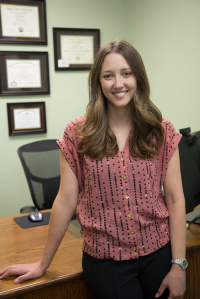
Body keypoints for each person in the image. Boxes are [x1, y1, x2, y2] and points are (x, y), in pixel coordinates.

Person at [0, 40, 187, 299]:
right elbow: (65, 201)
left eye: (126, 73)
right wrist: (43, 263)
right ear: (98, 82)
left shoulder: (160, 130)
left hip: (159, 255)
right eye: (108, 76)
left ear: (138, 78)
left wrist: (179, 265)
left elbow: (176, 199)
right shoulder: (77, 134)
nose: (118, 83)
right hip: (107, 264)